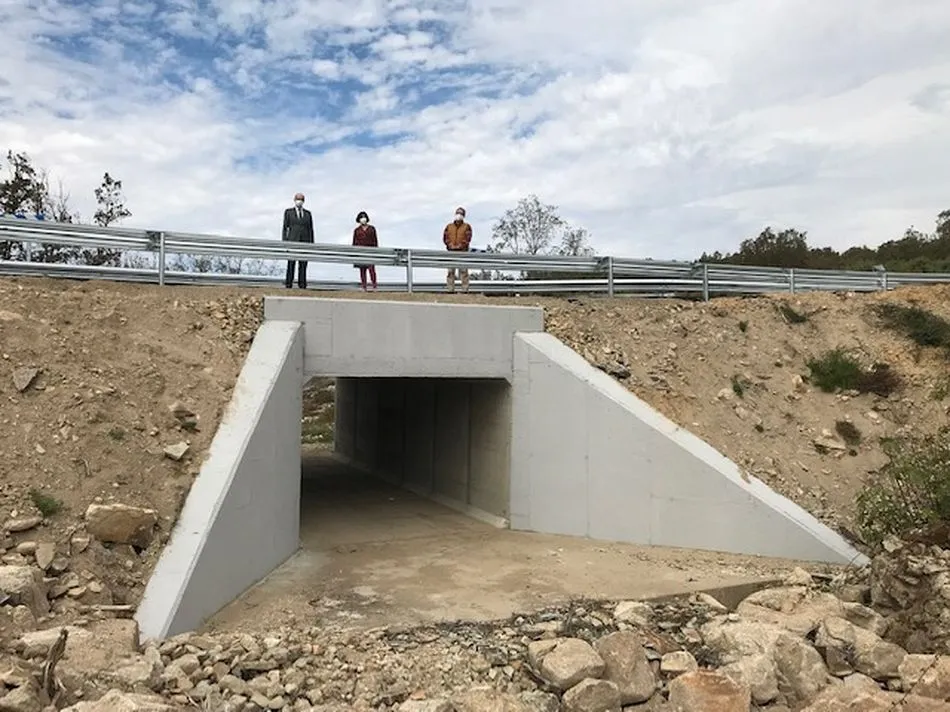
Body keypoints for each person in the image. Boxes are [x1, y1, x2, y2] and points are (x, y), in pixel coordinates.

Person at [281, 192, 314, 289]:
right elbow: (285, 227)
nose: (299, 201)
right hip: (292, 241)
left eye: (301, 199)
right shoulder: (288, 212)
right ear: (294, 200)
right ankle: (288, 283)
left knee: (303, 264)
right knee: (291, 263)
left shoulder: (308, 214)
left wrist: (311, 244)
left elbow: (310, 229)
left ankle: (302, 284)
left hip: (305, 241)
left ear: (303, 201)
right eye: (297, 199)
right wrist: (285, 241)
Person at [443, 206, 473, 292]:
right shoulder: (449, 226)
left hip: (462, 253)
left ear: (463, 216)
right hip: (451, 252)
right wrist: (450, 245)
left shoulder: (467, 226)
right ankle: (450, 289)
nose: (459, 215)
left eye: (461, 214)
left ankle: (465, 289)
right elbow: (445, 237)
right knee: (450, 271)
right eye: (457, 213)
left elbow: (468, 238)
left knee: (463, 271)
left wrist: (460, 246)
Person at [352, 210, 379, 291]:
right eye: (361, 217)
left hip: (370, 252)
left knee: (372, 269)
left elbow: (375, 240)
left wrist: (376, 251)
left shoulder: (372, 229)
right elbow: (354, 242)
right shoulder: (357, 230)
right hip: (360, 252)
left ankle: (374, 285)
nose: (363, 219)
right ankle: (364, 286)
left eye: (364, 217)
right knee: (362, 270)